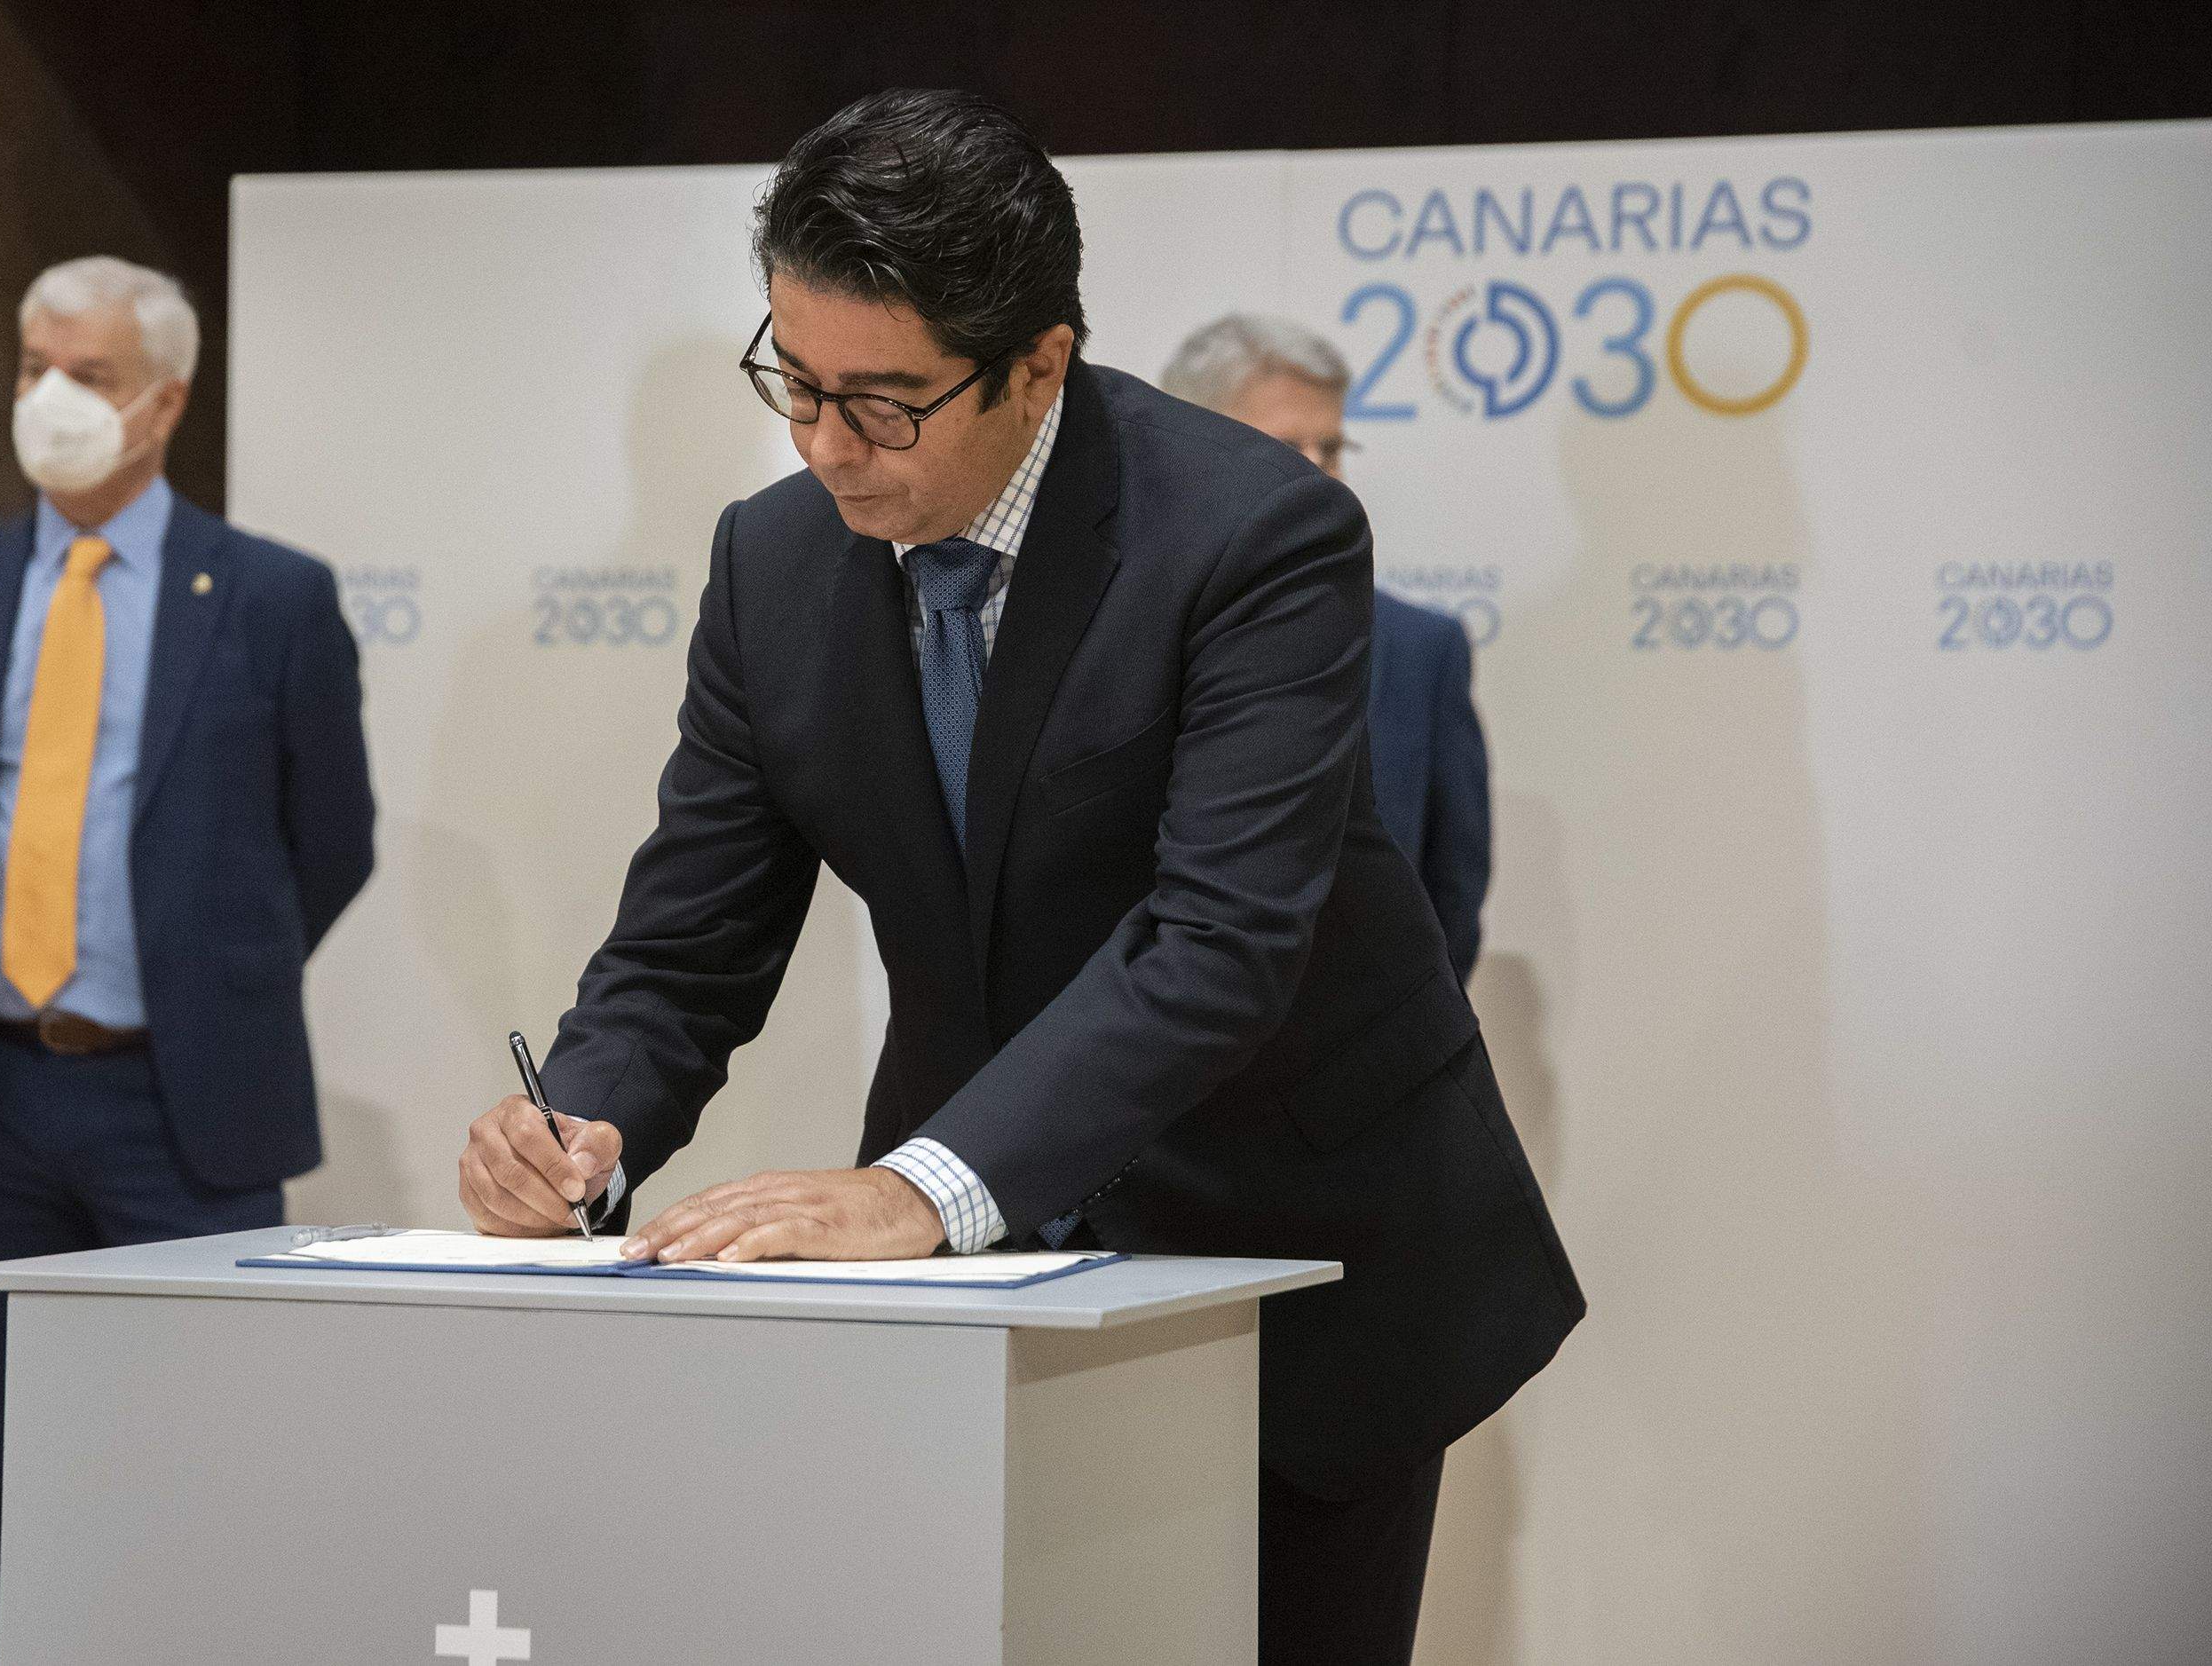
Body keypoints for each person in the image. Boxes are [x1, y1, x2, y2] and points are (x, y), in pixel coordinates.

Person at [453, 91, 1581, 1664]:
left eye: (887, 402)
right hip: (981, 1276)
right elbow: (685, 942)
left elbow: (1217, 943)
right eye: (794, 381)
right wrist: (584, 1122)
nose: (827, 444)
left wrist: (916, 1185)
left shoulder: (1257, 534)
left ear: (1039, 361)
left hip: (1302, 1245)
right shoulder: (771, 563)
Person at [0, 256, 374, 1631]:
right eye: (33, 367)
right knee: (4, 1477)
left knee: (204, 1468)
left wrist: (209, 980)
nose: (48, 400)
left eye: (85, 376)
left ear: (162, 403)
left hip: (184, 1107)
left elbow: (330, 842)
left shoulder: (271, 598)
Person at [1163, 314, 1491, 983]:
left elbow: (1450, 898)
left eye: (1332, 448)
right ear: (1190, 448)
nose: (1318, 479)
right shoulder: (1116, 640)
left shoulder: (1422, 649)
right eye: (1285, 449)